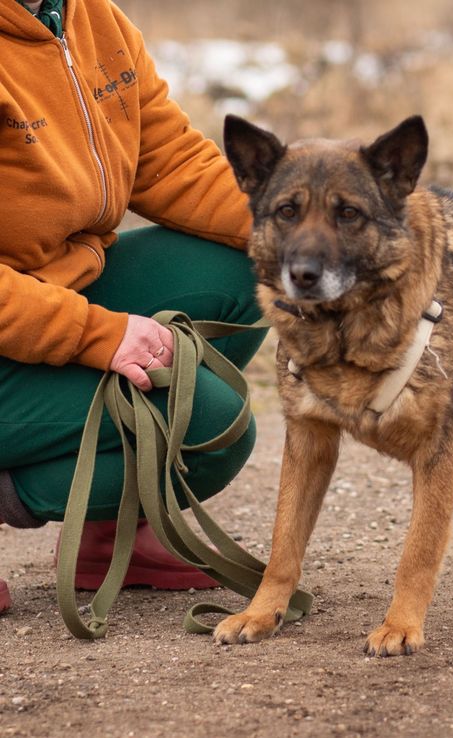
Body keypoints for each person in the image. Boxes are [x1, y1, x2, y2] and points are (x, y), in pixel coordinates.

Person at [0, 0, 266, 614]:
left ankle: (108, 536)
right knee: (209, 431)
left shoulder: (91, 18)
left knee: (261, 267)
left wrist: (323, 238)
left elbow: (170, 161)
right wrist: (96, 334)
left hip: (52, 293)